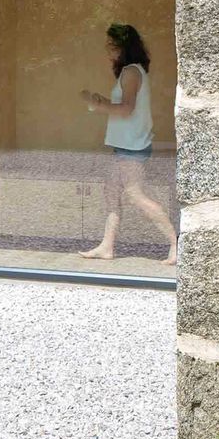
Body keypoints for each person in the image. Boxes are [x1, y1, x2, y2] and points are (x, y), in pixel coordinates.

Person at [82, 23, 177, 265]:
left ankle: (176, 243)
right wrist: (103, 102)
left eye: (112, 46)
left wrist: (97, 106)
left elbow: (126, 109)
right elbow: (124, 106)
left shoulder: (131, 72)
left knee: (135, 195)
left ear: (124, 48)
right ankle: (107, 246)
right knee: (111, 192)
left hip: (132, 147)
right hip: (125, 145)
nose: (108, 51)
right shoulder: (131, 72)